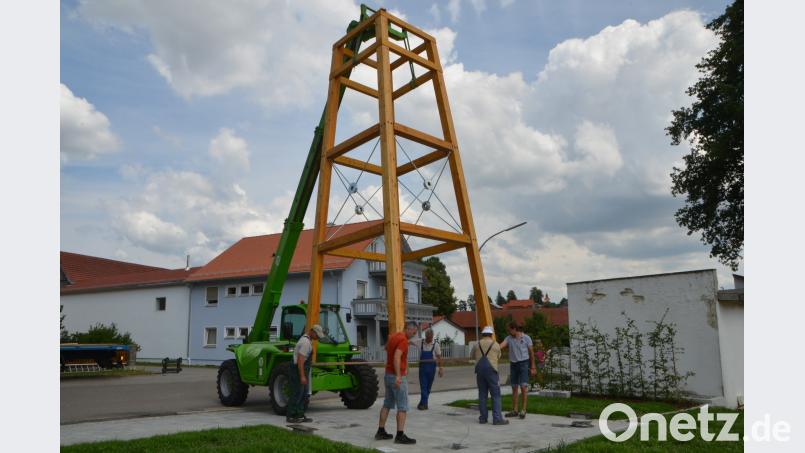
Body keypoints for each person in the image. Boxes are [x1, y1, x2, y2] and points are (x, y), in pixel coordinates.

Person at [375, 321, 418, 445]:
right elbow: (396, 356)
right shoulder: (403, 340)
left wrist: (407, 343)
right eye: (414, 332)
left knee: (387, 404)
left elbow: (386, 348)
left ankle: (380, 431)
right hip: (397, 377)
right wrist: (398, 376)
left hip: (388, 375)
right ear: (409, 329)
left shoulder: (394, 337)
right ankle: (400, 435)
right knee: (402, 407)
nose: (414, 335)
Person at [287, 324, 324, 423]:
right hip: (298, 371)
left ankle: (300, 414)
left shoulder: (307, 340)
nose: (317, 338)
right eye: (317, 335)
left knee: (304, 394)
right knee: (297, 393)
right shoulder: (305, 342)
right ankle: (291, 416)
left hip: (302, 370)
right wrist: (302, 376)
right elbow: (300, 360)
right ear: (312, 332)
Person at [472, 326, 508, 425]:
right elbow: (499, 356)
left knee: (482, 394)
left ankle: (483, 418)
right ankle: (497, 419)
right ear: (491, 335)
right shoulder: (495, 345)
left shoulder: (477, 344)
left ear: (483, 334)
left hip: (480, 371)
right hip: (492, 371)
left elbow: (472, 356)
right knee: (495, 395)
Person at [499, 321, 536, 419]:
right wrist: (492, 347)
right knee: (514, 387)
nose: (508, 332)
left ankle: (523, 410)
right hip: (513, 364)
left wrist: (533, 366)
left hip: (524, 363)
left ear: (514, 329)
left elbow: (531, 352)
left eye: (509, 330)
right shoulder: (508, 338)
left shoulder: (526, 338)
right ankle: (515, 410)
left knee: (523, 387)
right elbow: (500, 346)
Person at [414, 328, 443, 410]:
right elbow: (410, 341)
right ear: (426, 336)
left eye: (430, 337)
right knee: (423, 386)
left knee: (428, 388)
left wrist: (440, 368)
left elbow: (439, 357)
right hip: (422, 369)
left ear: (432, 336)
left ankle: (422, 403)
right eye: (428, 337)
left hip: (431, 369)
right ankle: (424, 405)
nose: (429, 339)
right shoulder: (420, 342)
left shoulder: (436, 345)